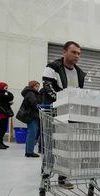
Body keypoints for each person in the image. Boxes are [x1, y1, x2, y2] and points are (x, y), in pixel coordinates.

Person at [39, 41, 86, 188]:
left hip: (69, 115)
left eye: (79, 53)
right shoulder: (52, 67)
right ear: (64, 52)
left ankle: (63, 178)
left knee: (67, 147)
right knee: (50, 148)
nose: (77, 56)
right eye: (74, 52)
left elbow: (78, 92)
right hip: (52, 112)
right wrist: (63, 102)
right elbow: (48, 88)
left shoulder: (79, 73)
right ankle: (45, 178)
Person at [20, 81, 42, 157]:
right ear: (32, 86)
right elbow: (35, 104)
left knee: (31, 134)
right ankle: (29, 152)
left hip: (31, 116)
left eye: (38, 86)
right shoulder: (31, 93)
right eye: (36, 86)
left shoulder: (31, 93)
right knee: (32, 134)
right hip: (32, 116)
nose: (38, 88)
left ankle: (28, 151)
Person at [0, 82, 14, 150]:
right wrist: (6, 94)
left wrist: (8, 102)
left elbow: (10, 97)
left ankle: (1, 142)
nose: (7, 89)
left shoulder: (1, 93)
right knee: (2, 128)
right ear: (1, 87)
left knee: (4, 128)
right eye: (5, 88)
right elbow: (10, 97)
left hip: (4, 112)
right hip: (2, 112)